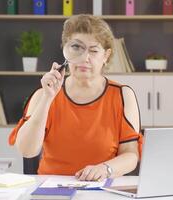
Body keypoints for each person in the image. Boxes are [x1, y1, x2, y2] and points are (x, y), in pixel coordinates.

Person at [9, 14, 143, 181]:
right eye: (76, 48)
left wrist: (106, 169)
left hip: (101, 188)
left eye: (93, 50)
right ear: (66, 50)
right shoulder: (43, 94)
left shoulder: (123, 95)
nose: (84, 58)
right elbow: (26, 150)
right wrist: (47, 99)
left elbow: (131, 155)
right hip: (52, 188)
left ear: (106, 56)